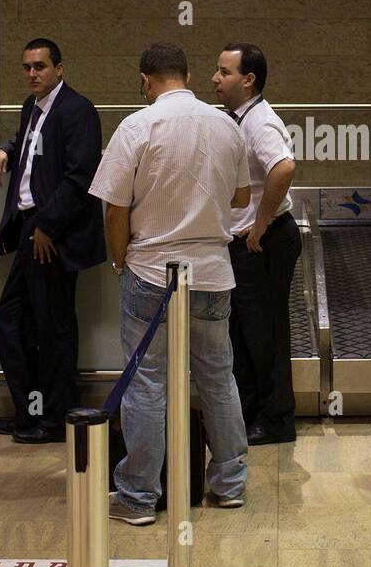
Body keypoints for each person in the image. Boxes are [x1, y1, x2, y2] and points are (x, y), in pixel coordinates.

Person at [90, 43, 251, 525]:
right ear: (187, 75)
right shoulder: (225, 124)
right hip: (213, 272)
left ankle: (139, 497)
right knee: (218, 378)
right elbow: (242, 194)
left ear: (146, 80)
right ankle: (229, 485)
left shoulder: (137, 126)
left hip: (151, 271)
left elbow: (114, 208)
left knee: (147, 383)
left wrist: (120, 261)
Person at [0, 38, 106, 443]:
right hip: (28, 229)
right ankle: (29, 411)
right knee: (13, 319)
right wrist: (7, 147)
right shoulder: (31, 108)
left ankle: (54, 420)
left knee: (53, 328)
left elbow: (80, 177)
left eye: (39, 66)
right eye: (26, 67)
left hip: (53, 236)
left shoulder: (78, 110)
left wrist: (48, 226)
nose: (32, 74)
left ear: (59, 68)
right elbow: (28, 142)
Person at [212, 43, 301, 446]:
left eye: (224, 72)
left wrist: (259, 225)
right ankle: (251, 415)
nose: (216, 79)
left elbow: (283, 168)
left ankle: (277, 420)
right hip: (246, 243)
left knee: (265, 336)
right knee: (244, 335)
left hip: (264, 243)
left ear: (248, 80)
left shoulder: (259, 122)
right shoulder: (235, 119)